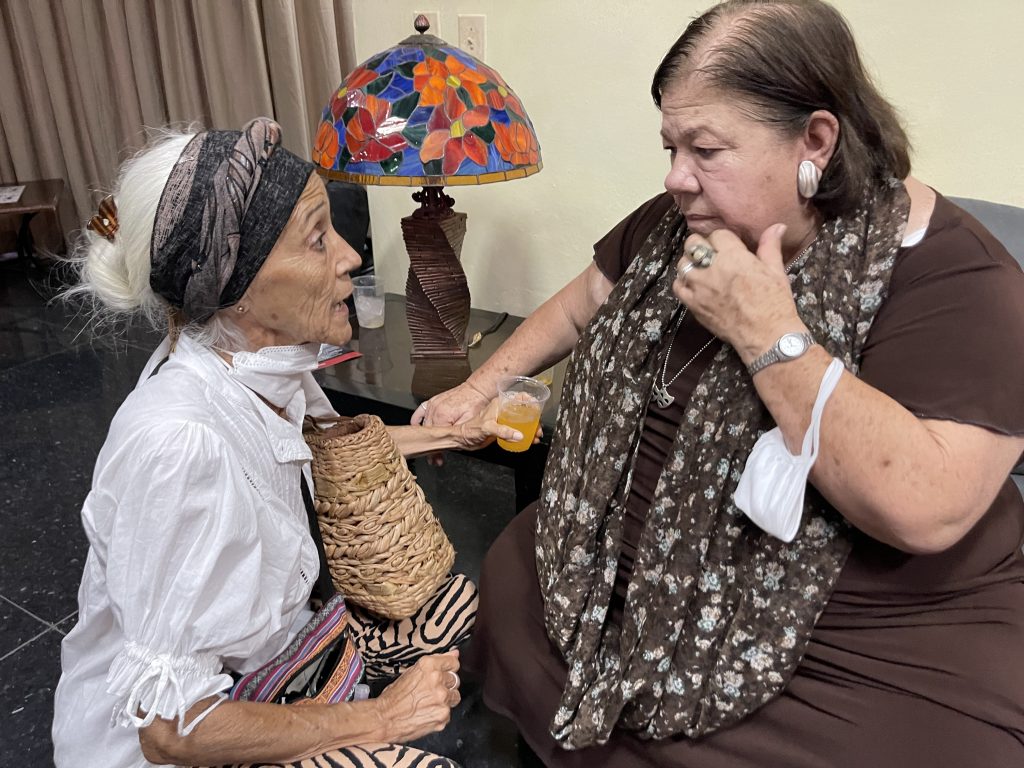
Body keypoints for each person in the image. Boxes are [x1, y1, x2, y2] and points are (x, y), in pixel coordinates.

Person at [417, 1, 1024, 765]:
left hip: (850, 626)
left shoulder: (959, 281)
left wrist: (766, 331)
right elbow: (580, 304)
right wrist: (479, 388)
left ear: (816, 140)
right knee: (512, 579)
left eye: (705, 149)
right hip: (626, 566)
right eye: (671, 146)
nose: (676, 177)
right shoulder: (679, 228)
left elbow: (925, 513)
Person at [52, 117, 528, 768]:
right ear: (236, 289)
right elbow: (170, 730)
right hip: (177, 741)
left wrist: (456, 430)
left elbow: (334, 446)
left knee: (459, 599)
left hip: (265, 661)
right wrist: (382, 718)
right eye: (317, 238)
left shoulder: (259, 364)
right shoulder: (180, 446)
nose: (351, 257)